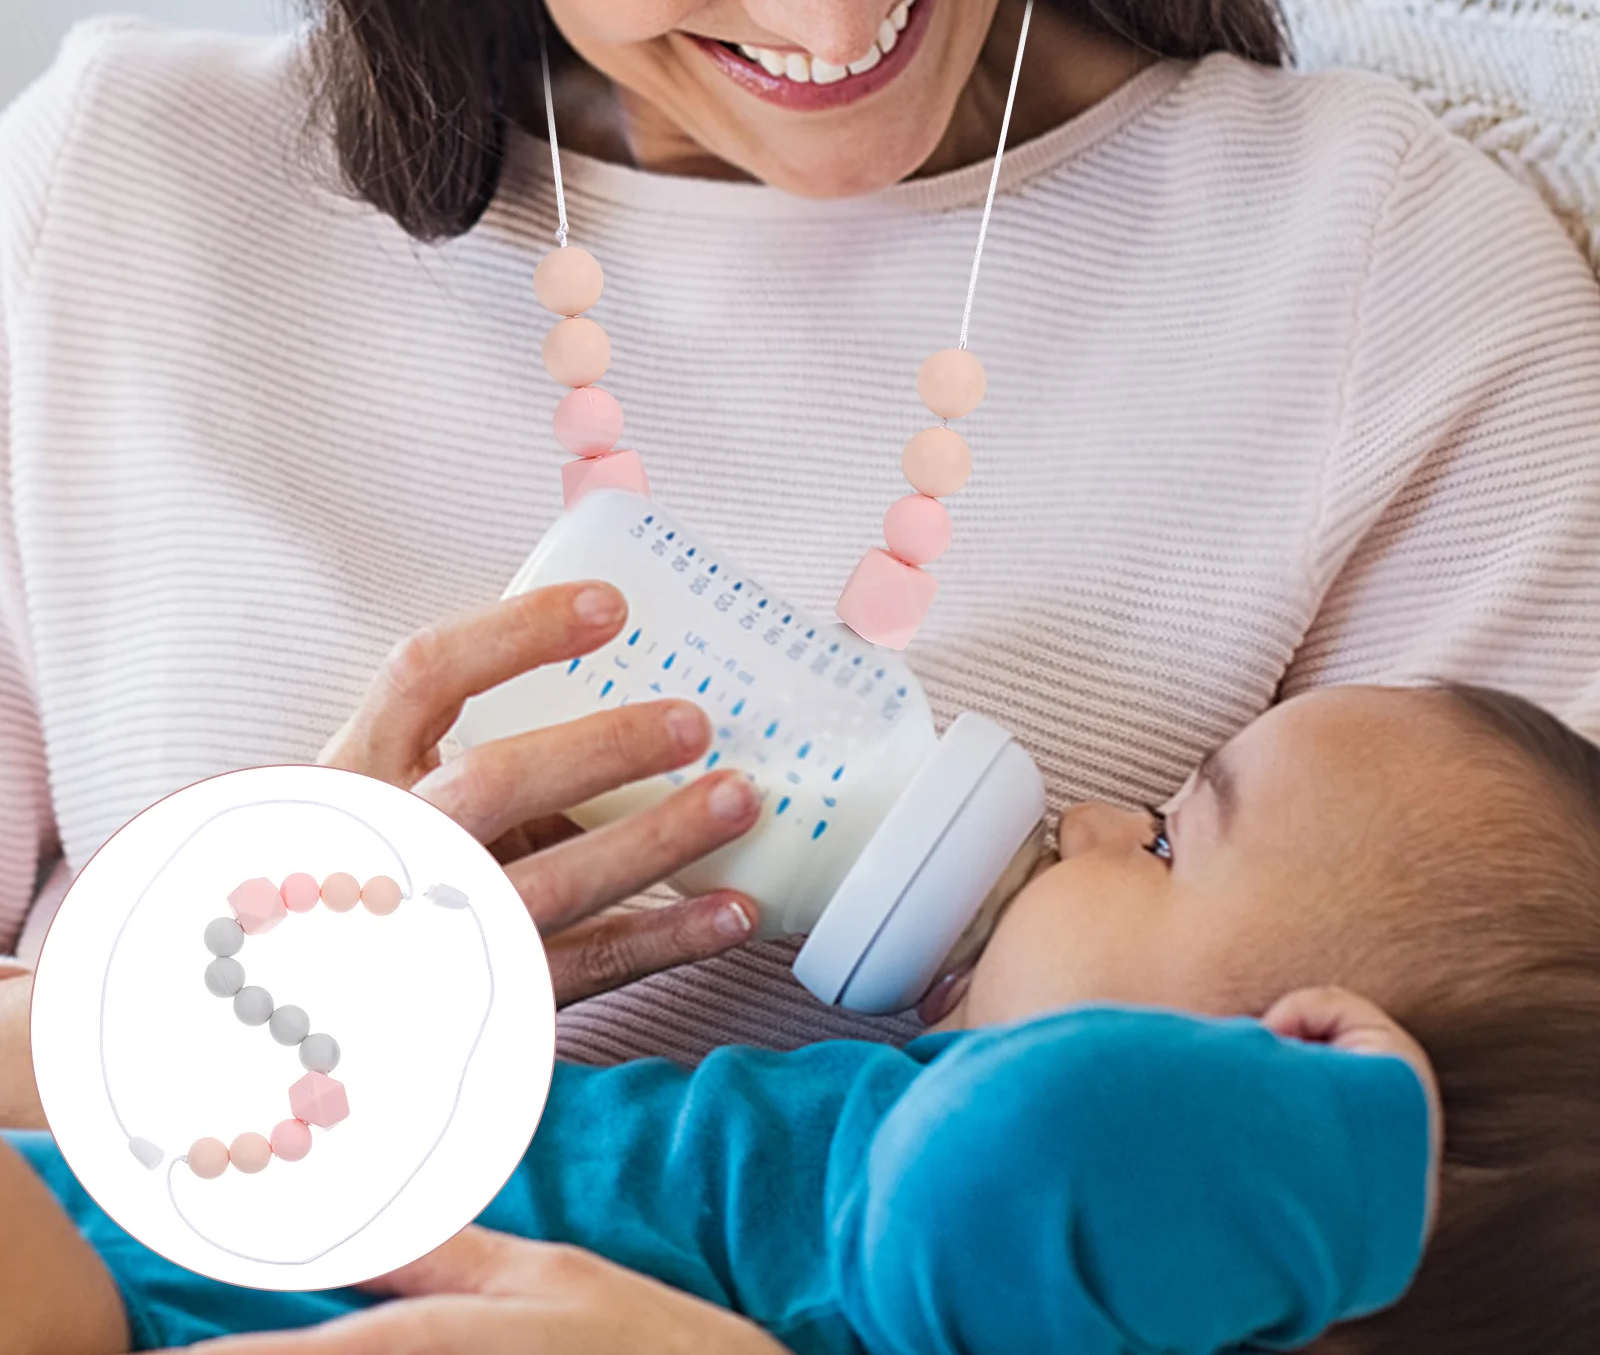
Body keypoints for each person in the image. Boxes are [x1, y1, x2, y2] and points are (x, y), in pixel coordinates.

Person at [5, 0, 1600, 1345]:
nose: (833, 8)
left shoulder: (1394, 294)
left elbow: (1501, 1234)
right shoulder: (113, 198)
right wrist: (240, 984)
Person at [8, 680, 1600, 1355]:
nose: (1104, 814)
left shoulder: (978, 1252)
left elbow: (1037, 1146)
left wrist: (1351, 1143)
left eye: (1176, 837)